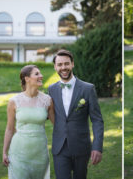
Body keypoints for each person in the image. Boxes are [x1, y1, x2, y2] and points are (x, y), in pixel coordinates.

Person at [48, 49, 104, 179]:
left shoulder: (87, 88)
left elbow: (97, 120)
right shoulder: (51, 89)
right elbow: (47, 112)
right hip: (59, 147)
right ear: (55, 67)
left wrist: (97, 147)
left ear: (72, 64)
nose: (64, 67)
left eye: (66, 64)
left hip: (81, 146)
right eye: (60, 65)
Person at [2, 65, 54, 179]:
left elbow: (57, 125)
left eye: (40, 73)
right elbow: (10, 129)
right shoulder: (14, 101)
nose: (41, 76)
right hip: (18, 152)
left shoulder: (47, 100)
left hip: (40, 152)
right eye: (37, 74)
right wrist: (4, 152)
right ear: (27, 78)